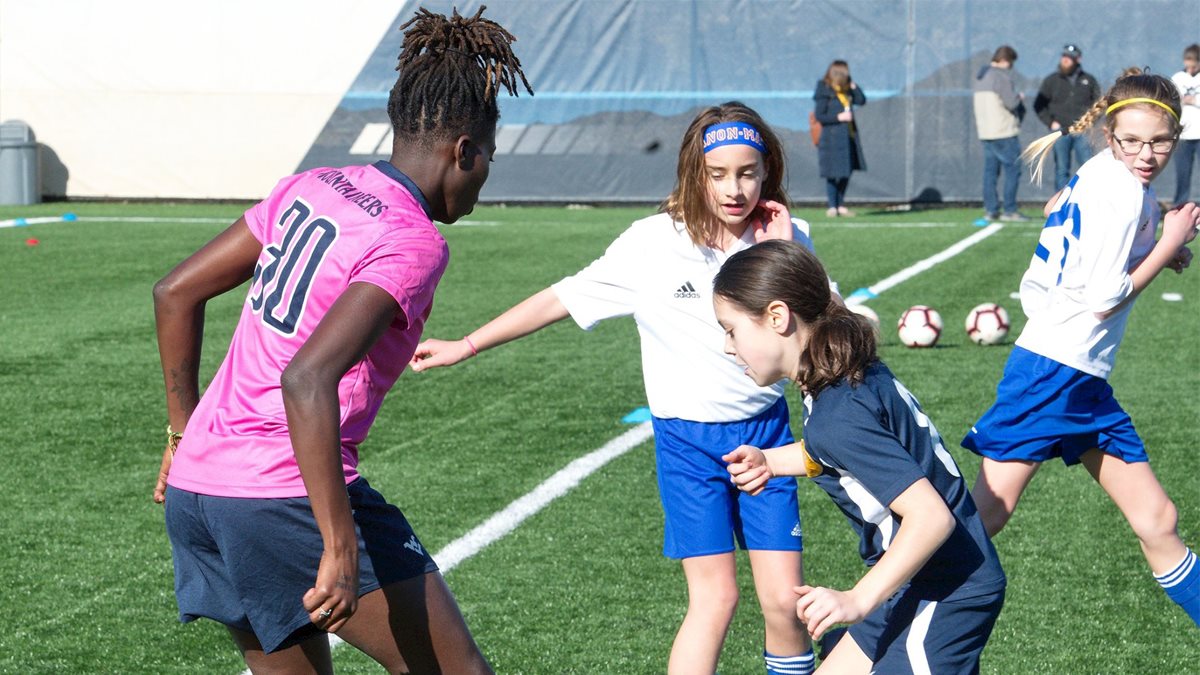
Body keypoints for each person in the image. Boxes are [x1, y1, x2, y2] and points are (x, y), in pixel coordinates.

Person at [152, 8, 533, 673]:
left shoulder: (311, 186)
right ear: (464, 151)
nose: (482, 181)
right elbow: (306, 378)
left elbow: (174, 292)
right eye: (489, 162)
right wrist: (337, 540)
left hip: (199, 491)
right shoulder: (413, 240)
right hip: (282, 493)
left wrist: (181, 437)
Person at [410, 102, 818, 675]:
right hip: (687, 444)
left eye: (748, 172)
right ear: (692, 172)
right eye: (718, 173)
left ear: (767, 171)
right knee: (715, 599)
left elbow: (832, 327)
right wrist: (468, 344)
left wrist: (791, 255)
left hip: (768, 441)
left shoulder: (787, 236)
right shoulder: (652, 243)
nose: (735, 189)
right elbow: (562, 297)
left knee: (784, 604)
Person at [965, 71, 1200, 627]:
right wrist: (1167, 241)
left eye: (1160, 141)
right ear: (1110, 134)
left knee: (1157, 520)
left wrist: (1156, 250)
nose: (1148, 153)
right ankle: (868, 620)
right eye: (1134, 141)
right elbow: (1103, 299)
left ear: (1177, 133)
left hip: (1081, 379)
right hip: (1053, 370)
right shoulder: (1120, 192)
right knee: (978, 520)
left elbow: (1066, 218)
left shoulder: (1100, 174)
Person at [716, 240, 1006, 673]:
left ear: (777, 317)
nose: (726, 346)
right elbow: (848, 454)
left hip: (943, 591)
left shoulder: (838, 414)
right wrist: (773, 462)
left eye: (731, 329)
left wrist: (857, 599)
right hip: (910, 581)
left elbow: (931, 518)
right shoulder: (845, 369)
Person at [973, 45, 1030, 222]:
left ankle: (991, 210)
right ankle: (1010, 210)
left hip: (986, 132)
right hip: (1003, 131)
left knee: (990, 173)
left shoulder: (980, 76)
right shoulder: (1000, 77)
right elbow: (1011, 103)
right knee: (1013, 170)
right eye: (1011, 63)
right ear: (1005, 60)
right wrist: (1019, 97)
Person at [1034, 43, 1101, 190]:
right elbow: (1038, 105)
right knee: (1061, 170)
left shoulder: (1089, 80)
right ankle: (1061, 206)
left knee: (1088, 168)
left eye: (1069, 57)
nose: (1065, 60)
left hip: (1083, 132)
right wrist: (1050, 122)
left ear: (1078, 59)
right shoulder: (1051, 80)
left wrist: (1089, 122)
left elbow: (1099, 104)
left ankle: (1088, 202)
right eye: (1064, 56)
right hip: (1060, 132)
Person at [813, 60, 867, 218]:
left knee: (846, 171)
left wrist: (854, 87)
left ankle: (841, 204)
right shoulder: (824, 89)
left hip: (848, 137)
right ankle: (832, 206)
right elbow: (820, 115)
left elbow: (861, 101)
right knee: (831, 173)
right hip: (831, 139)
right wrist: (839, 117)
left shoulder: (847, 89)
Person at [1172, 44, 1200, 207]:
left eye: (1194, 66)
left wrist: (1194, 100)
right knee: (1182, 174)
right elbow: (1172, 101)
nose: (1190, 70)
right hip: (1183, 135)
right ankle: (1179, 206)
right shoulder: (1177, 78)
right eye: (1187, 66)